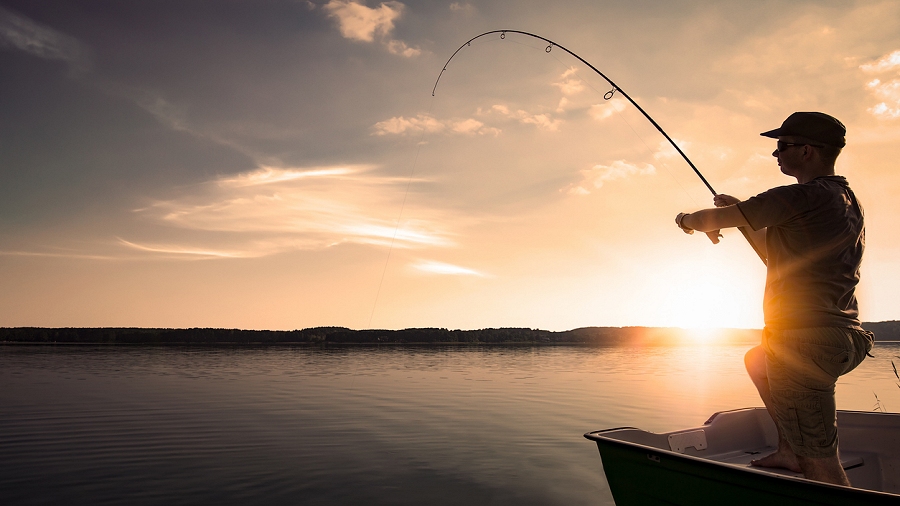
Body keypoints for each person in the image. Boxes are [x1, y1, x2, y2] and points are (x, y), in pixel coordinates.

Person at [673, 111, 874, 486]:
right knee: (759, 360)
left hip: (804, 341)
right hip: (846, 338)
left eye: (783, 146)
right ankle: (788, 450)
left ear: (808, 151)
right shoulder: (845, 199)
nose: (776, 154)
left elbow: (700, 220)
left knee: (823, 467)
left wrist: (685, 220)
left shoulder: (799, 195)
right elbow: (774, 254)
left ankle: (809, 463)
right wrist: (740, 218)